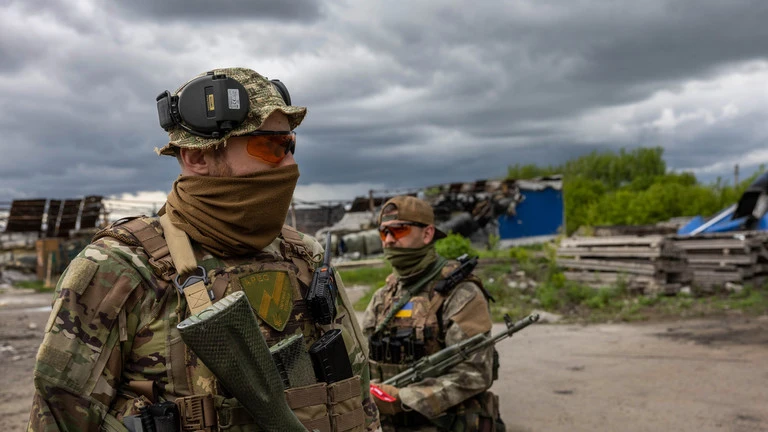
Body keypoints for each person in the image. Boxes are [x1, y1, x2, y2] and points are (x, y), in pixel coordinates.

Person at [28, 67, 380, 432]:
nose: (289, 163)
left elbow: (357, 394)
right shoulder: (120, 269)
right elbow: (60, 415)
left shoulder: (305, 255)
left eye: (289, 145)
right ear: (197, 157)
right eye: (270, 146)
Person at [361, 196, 503, 432]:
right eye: (383, 233)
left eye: (399, 231)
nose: (388, 241)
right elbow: (363, 360)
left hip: (445, 423)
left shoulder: (461, 293)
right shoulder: (382, 297)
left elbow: (475, 372)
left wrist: (403, 398)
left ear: (427, 234)